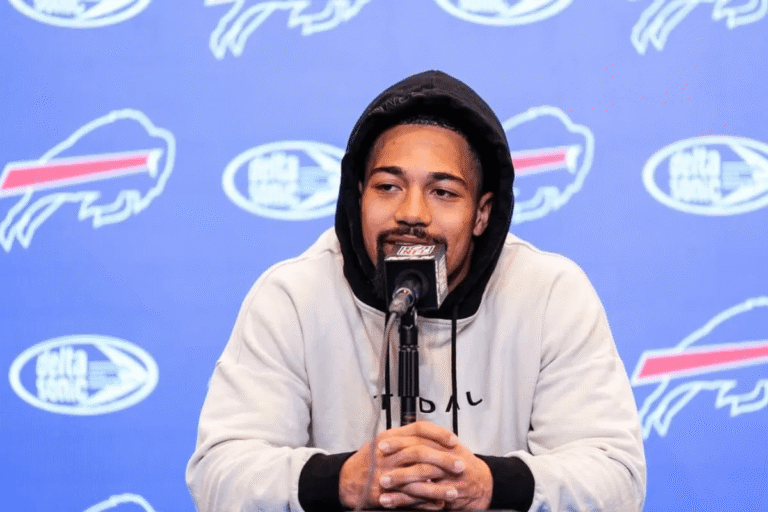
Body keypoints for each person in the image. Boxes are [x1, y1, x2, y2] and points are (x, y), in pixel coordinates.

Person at [186, 70, 646, 511]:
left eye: (443, 192)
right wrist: (344, 479)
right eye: (388, 186)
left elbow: (616, 481)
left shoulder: (550, 295)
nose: (412, 213)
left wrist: (485, 484)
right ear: (358, 194)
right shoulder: (292, 295)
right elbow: (220, 477)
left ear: (482, 213)